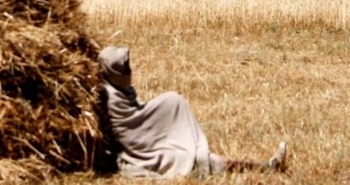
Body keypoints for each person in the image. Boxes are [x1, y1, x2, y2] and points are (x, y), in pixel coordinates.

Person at [97, 45, 287, 178]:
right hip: (144, 153)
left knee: (174, 101)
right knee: (199, 160)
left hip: (152, 142)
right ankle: (265, 167)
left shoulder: (120, 90)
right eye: (124, 68)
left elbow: (141, 117)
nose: (129, 71)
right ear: (110, 71)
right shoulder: (111, 98)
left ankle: (265, 166)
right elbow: (132, 132)